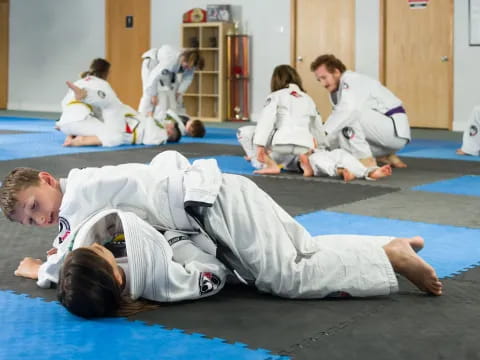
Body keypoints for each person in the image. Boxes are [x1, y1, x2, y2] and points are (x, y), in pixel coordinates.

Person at [1, 151, 442, 317]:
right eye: (29, 221)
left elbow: (72, 253)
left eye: (36, 205)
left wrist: (43, 270)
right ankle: (386, 245)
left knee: (284, 278)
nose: (41, 219)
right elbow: (77, 245)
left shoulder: (81, 192)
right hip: (217, 200)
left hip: (211, 206)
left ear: (48, 178)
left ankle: (393, 261)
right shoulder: (86, 197)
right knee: (299, 250)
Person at [310, 54, 411, 168]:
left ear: (336, 72)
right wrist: (318, 145)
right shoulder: (336, 91)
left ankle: (366, 160)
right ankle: (385, 155)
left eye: (324, 77)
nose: (322, 84)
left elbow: (347, 112)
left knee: (348, 118)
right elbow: (336, 121)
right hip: (382, 136)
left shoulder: (353, 80)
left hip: (394, 131)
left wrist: (321, 136)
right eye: (319, 80)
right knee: (337, 139)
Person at [251, 65, 326, 175]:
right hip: (304, 145)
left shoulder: (275, 96)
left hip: (280, 144)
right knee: (304, 141)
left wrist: (260, 147)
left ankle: (271, 164)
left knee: (250, 135)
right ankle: (304, 163)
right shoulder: (308, 99)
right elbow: (317, 126)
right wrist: (321, 147)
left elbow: (265, 122)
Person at [60, 81, 182, 146]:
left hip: (125, 130)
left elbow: (149, 141)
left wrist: (149, 118)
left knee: (111, 103)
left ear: (171, 131)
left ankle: (85, 94)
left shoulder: (161, 137)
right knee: (111, 109)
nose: (168, 123)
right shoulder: (159, 126)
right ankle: (75, 135)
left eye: (170, 124)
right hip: (125, 123)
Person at [138, 45, 206, 138]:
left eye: (191, 67)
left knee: (172, 95)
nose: (189, 69)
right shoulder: (171, 60)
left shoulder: (190, 62)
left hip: (167, 72)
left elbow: (187, 78)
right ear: (184, 60)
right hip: (152, 65)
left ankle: (163, 119)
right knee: (148, 96)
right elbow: (154, 77)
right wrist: (153, 95)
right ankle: (140, 123)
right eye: (188, 66)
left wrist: (179, 92)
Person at [56, 58, 126, 147]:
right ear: (107, 73)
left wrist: (60, 123)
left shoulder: (79, 82)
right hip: (79, 122)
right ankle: (81, 140)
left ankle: (71, 136)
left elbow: (64, 104)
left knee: (89, 123)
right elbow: (109, 109)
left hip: (64, 125)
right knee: (116, 136)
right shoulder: (103, 84)